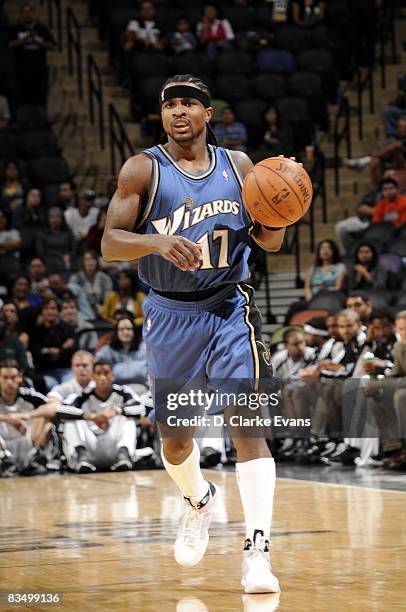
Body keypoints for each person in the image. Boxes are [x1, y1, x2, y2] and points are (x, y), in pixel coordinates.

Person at [101, 73, 287, 593]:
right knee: (176, 441)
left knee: (247, 424)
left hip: (230, 305)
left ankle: (256, 555)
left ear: (209, 115)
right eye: (169, 105)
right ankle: (199, 498)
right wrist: (155, 244)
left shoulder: (240, 166)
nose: (178, 112)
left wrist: (279, 217)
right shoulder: (142, 170)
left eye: (188, 104)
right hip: (170, 314)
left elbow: (267, 243)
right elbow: (110, 245)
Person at [23, 360, 144, 473]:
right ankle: (81, 456)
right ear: (93, 377)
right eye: (98, 374)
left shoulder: (124, 392)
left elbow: (141, 408)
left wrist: (114, 412)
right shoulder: (82, 396)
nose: (103, 378)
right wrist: (90, 416)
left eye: (106, 373)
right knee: (71, 420)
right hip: (90, 447)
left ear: (112, 375)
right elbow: (61, 410)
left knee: (127, 419)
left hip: (114, 447)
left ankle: (124, 455)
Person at [0, 359, 50, 476]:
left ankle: (37, 457)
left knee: (46, 418)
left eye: (12, 377)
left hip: (27, 444)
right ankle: (4, 460)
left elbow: (54, 407)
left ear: (20, 377)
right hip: (3, 446)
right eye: (5, 377)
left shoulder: (29, 395)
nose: (9, 382)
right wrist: (9, 420)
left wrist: (27, 415)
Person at [8, 3, 55, 107]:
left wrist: (36, 41)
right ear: (21, 14)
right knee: (23, 100)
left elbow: (51, 45)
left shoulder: (42, 29)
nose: (27, 14)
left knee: (40, 99)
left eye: (29, 11)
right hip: (21, 71)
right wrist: (25, 39)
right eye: (24, 11)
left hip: (39, 70)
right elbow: (10, 44)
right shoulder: (16, 29)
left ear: (34, 14)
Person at [29, 298, 77, 389]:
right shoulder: (36, 332)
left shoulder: (68, 329)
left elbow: (72, 352)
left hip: (66, 370)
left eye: (53, 308)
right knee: (49, 386)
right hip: (45, 371)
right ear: (42, 312)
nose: (50, 311)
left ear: (58, 311)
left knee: (70, 386)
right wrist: (61, 349)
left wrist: (48, 350)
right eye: (46, 309)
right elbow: (37, 354)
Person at [95, 316, 147, 385]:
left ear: (134, 331)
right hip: (116, 388)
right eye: (122, 329)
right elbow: (97, 370)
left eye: (129, 329)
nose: (125, 332)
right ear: (116, 332)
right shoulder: (106, 351)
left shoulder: (145, 348)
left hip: (143, 387)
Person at [69, 249, 113, 319]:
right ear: (83, 262)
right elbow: (72, 297)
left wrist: (104, 308)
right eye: (87, 259)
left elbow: (108, 297)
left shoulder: (105, 278)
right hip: (81, 310)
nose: (90, 262)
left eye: (93, 259)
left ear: (97, 262)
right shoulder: (75, 278)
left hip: (101, 310)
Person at [36, 207, 77, 273]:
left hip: (65, 260)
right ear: (48, 219)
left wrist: (70, 256)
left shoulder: (68, 233)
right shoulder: (42, 234)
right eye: (52, 217)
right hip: (48, 261)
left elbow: (74, 248)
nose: (54, 220)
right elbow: (40, 252)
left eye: (58, 217)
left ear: (62, 219)